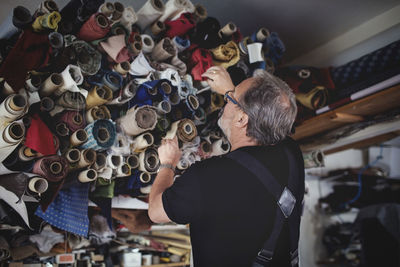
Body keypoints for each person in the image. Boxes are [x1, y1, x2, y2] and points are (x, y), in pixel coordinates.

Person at [148, 66, 305, 267]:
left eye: (230, 98)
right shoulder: (291, 152)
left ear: (242, 119)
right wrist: (234, 95)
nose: (226, 99)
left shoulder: (207, 177)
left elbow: (155, 212)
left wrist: (167, 163)